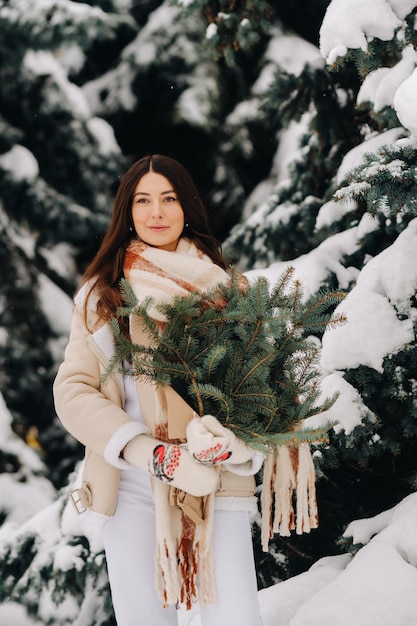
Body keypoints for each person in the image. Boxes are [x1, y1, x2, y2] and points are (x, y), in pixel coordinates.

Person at [53, 154, 264, 626]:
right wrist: (147, 451)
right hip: (131, 483)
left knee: (236, 617)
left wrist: (236, 441)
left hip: (217, 478)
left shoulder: (227, 289)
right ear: (127, 213)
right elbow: (73, 391)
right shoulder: (102, 296)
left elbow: (261, 389)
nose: (156, 213)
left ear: (186, 205)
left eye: (168, 199)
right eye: (143, 201)